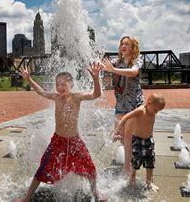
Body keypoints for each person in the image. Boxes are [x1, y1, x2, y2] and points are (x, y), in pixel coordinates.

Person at [15, 62, 105, 201]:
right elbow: (41, 91)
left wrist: (95, 78)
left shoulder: (77, 97)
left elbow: (96, 94)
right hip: (58, 140)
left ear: (71, 85)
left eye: (64, 84)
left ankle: (95, 192)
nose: (60, 87)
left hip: (75, 141)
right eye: (58, 84)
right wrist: (29, 79)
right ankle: (27, 197)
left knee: (90, 168)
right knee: (43, 167)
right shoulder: (56, 97)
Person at [101, 35, 144, 174]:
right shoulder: (117, 61)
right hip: (120, 104)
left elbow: (133, 72)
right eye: (122, 44)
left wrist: (113, 70)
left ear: (133, 48)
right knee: (118, 136)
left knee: (127, 136)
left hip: (133, 104)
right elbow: (104, 66)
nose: (124, 46)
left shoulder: (137, 60)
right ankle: (132, 157)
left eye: (127, 44)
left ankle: (127, 168)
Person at [114, 93, 165, 192]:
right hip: (138, 140)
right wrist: (118, 130)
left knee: (150, 161)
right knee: (135, 162)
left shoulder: (152, 112)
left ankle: (149, 182)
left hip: (149, 140)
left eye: (158, 111)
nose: (156, 113)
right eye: (155, 110)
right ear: (149, 103)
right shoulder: (141, 110)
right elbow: (126, 117)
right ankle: (131, 179)